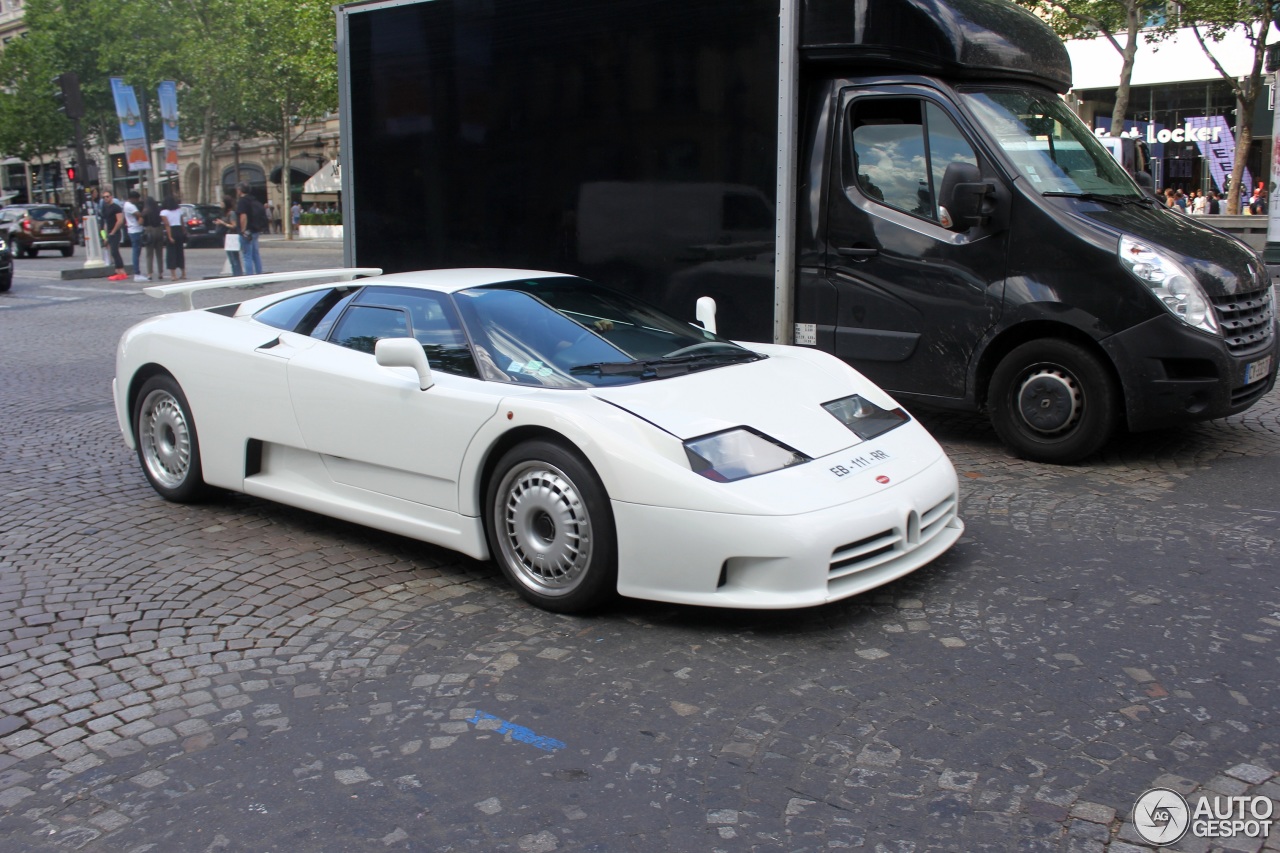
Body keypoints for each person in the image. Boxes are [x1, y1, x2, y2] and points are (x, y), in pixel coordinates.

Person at [236, 182, 266, 275]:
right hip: (255, 230)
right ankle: (259, 275)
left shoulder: (242, 201)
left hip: (247, 232)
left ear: (240, 190)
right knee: (255, 255)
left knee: (246, 256)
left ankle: (249, 279)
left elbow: (243, 216)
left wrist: (243, 230)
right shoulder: (254, 200)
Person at [101, 190, 128, 280]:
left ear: (111, 197)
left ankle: (121, 271)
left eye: (107, 196)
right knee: (112, 252)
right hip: (109, 232)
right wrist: (105, 236)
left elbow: (120, 220)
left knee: (115, 251)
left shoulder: (116, 207)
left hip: (115, 232)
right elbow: (105, 223)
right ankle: (117, 270)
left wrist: (113, 231)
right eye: (104, 197)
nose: (106, 198)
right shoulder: (105, 208)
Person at [214, 194, 242, 276]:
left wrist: (223, 223)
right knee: (231, 259)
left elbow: (234, 225)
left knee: (234, 259)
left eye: (222, 202)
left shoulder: (231, 213)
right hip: (226, 237)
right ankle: (235, 276)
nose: (221, 204)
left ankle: (238, 276)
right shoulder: (225, 214)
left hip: (231, 237)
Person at [160, 196, 186, 281]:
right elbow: (182, 222)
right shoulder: (178, 210)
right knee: (180, 253)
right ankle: (183, 273)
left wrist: (170, 236)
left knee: (171, 253)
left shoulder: (164, 212)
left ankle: (173, 275)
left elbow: (167, 225)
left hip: (171, 230)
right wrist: (184, 232)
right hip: (179, 230)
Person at [123, 190, 147, 281]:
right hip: (135, 230)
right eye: (137, 199)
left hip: (132, 229)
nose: (138, 201)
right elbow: (139, 214)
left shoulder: (126, 205)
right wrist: (144, 211)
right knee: (136, 252)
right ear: (133, 198)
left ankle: (137, 272)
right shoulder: (130, 206)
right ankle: (137, 273)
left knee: (136, 251)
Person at [141, 196, 165, 280]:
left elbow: (142, 223)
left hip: (149, 231)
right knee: (159, 254)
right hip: (159, 230)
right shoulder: (158, 210)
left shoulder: (145, 212)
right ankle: (160, 273)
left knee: (149, 254)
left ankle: (149, 274)